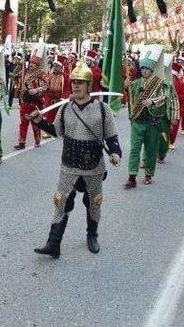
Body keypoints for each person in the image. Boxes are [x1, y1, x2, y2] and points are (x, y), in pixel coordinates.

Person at [28, 60, 122, 258]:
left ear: (89, 86)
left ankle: (92, 235)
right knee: (60, 201)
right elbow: (56, 131)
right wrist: (40, 122)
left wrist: (115, 152)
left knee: (94, 202)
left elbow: (112, 136)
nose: (76, 85)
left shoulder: (102, 109)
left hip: (93, 165)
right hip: (69, 164)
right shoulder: (65, 108)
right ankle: (53, 243)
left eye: (81, 82)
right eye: (74, 82)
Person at [124, 50, 168, 188]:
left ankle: (149, 174)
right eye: (142, 68)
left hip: (152, 123)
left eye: (147, 69)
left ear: (152, 70)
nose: (144, 71)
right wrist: (126, 87)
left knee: (150, 150)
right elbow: (129, 95)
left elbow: (165, 97)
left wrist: (153, 101)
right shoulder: (136, 83)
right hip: (137, 122)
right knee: (134, 150)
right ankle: (132, 177)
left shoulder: (160, 83)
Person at [14, 53, 47, 149]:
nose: (31, 64)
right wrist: (20, 64)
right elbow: (16, 77)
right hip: (25, 100)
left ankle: (37, 140)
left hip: (35, 101)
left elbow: (46, 86)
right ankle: (22, 142)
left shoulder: (41, 74)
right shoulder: (26, 72)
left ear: (37, 65)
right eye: (30, 62)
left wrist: (37, 90)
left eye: (33, 63)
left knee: (35, 123)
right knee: (23, 122)